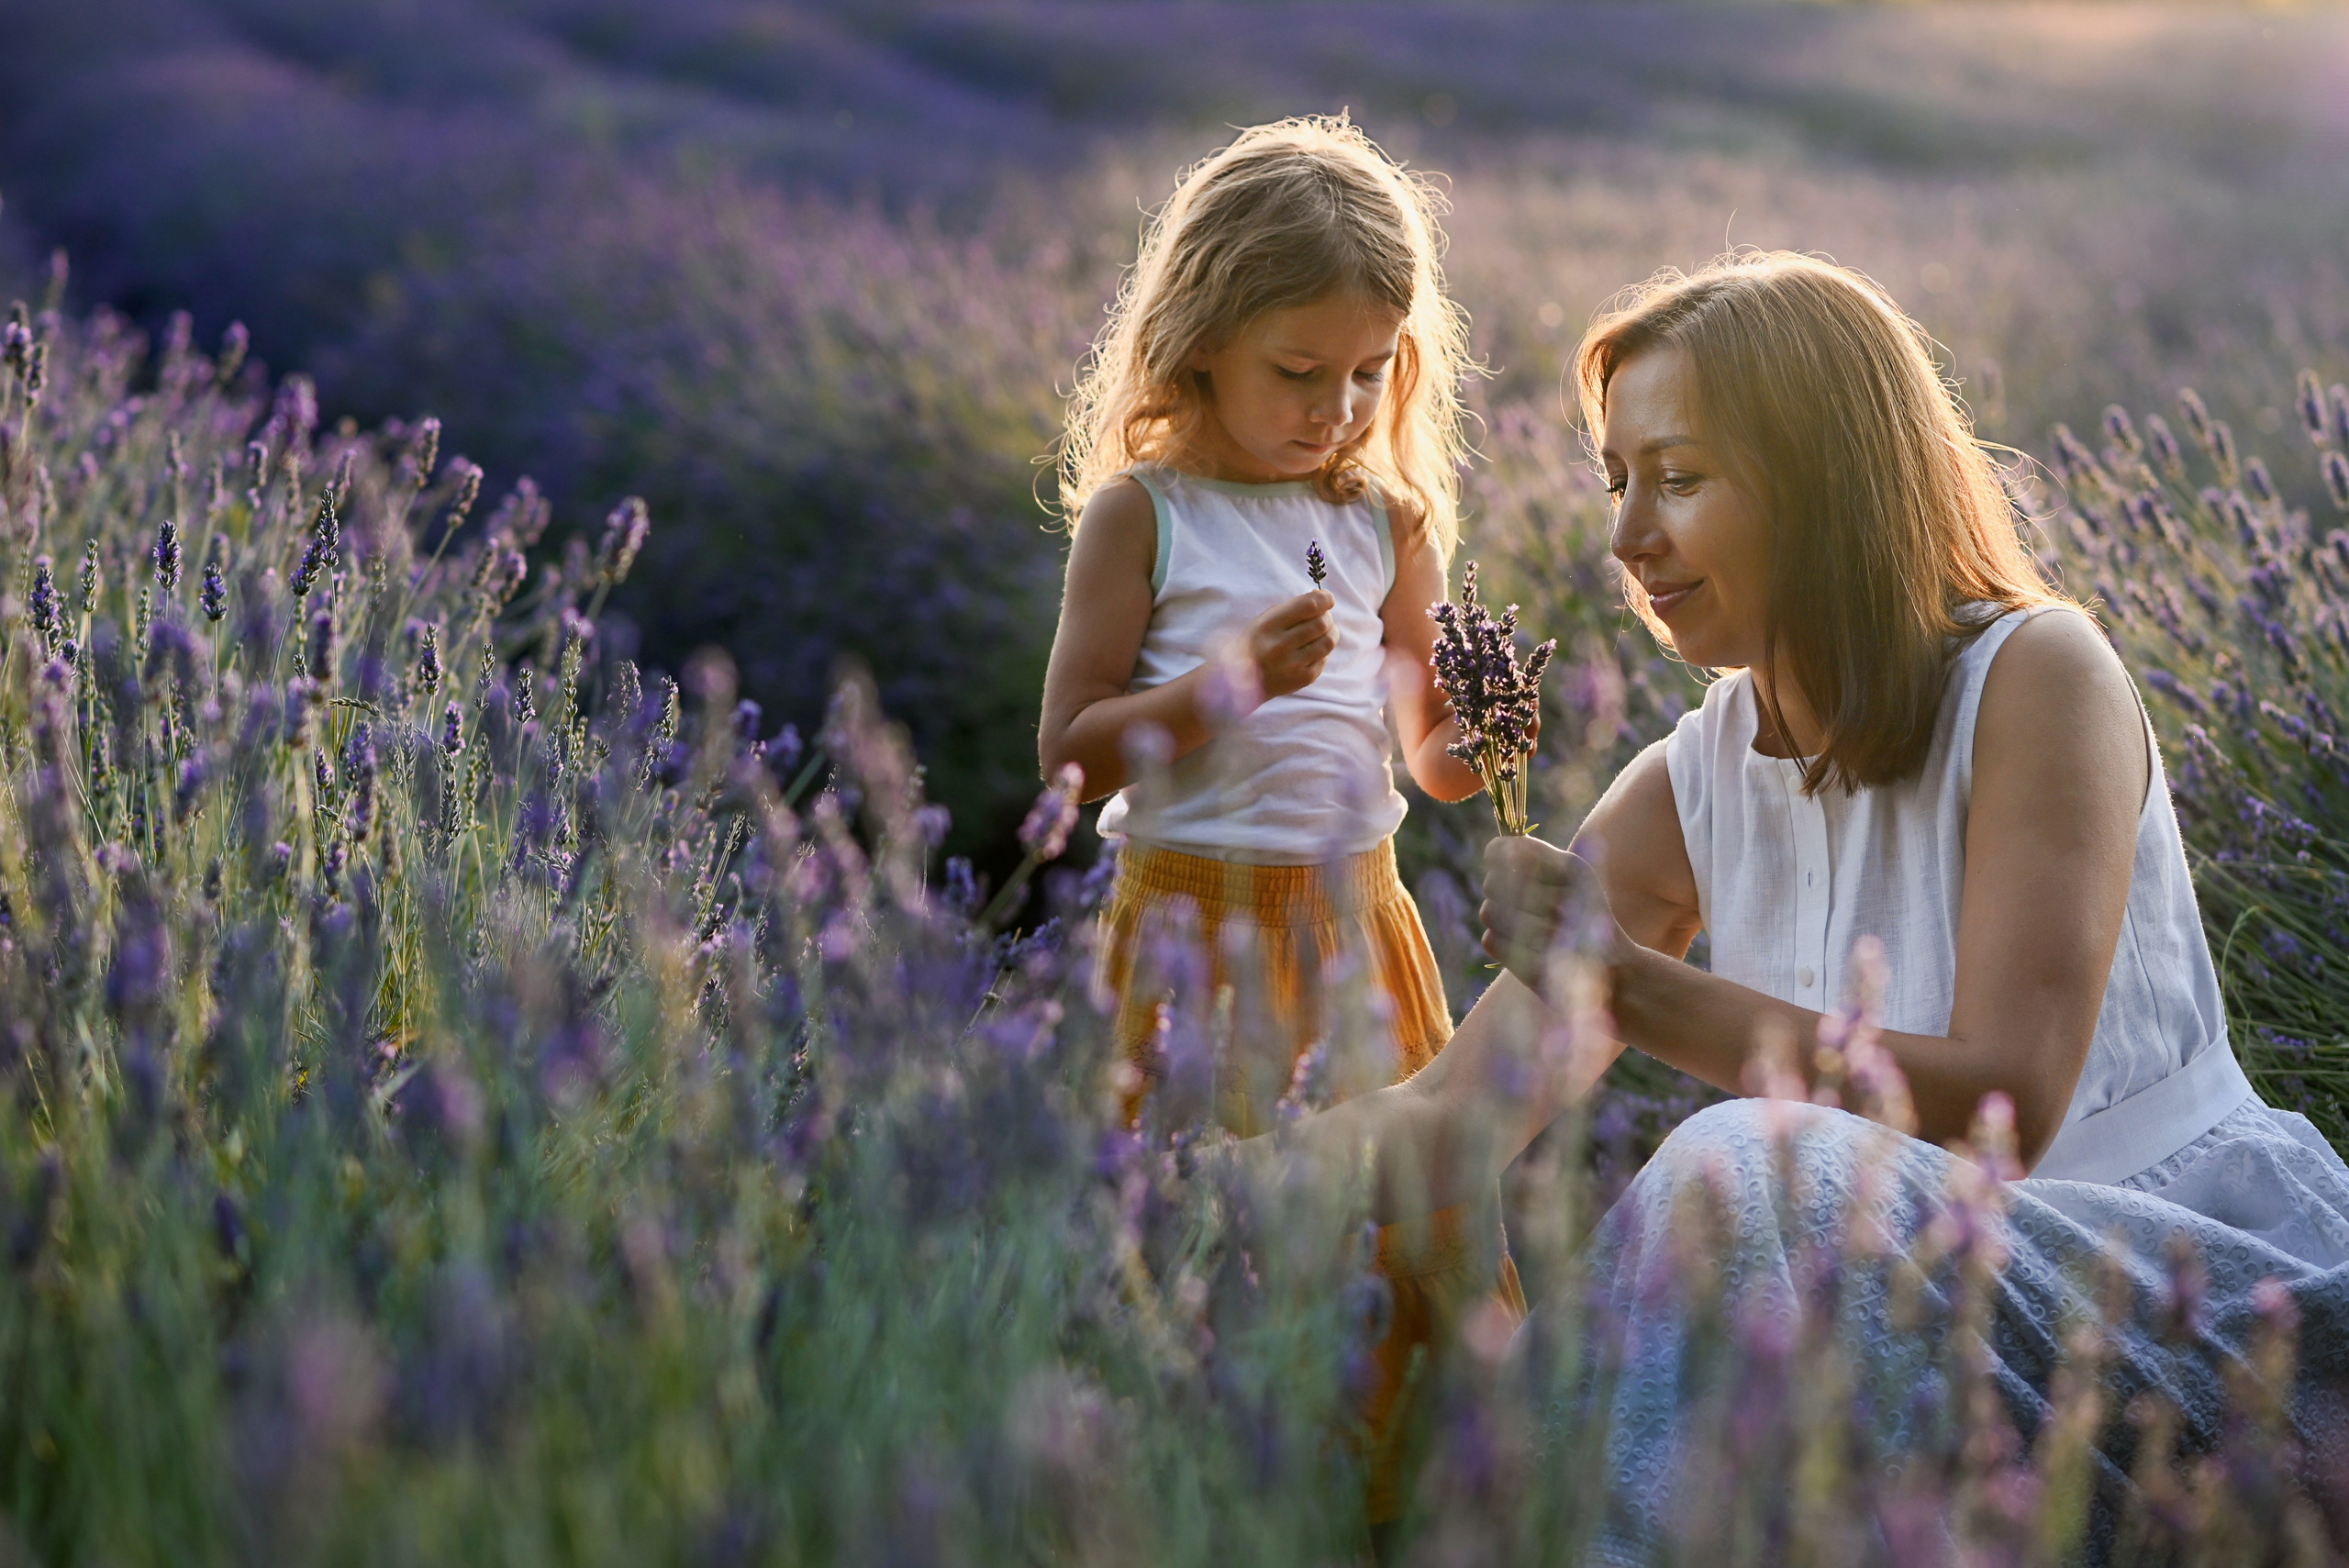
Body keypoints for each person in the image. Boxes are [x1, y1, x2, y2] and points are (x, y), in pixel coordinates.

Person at [1251, 250, 2349, 1557]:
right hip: (1896, 1335)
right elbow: (1453, 1120)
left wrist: (1627, 982)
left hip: (2191, 1312)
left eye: (1681, 478)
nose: (1625, 537)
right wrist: (1196, 1189)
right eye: (1617, 480)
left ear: (1827, 478)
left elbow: (2007, 1100)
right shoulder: (1693, 784)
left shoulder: (2038, 675)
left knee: (1743, 1169)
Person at [1037, 116, 1517, 1518]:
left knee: (1387, 1247)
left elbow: (1424, 756)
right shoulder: (1146, 515)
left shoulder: (1387, 518)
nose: (1338, 410)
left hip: (1359, 939)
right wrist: (1227, 686)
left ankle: (1388, 1514)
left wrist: (1482, 740)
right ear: (1199, 342)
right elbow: (1071, 754)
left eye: (1371, 375)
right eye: (1298, 374)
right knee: (1197, 1258)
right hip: (1186, 941)